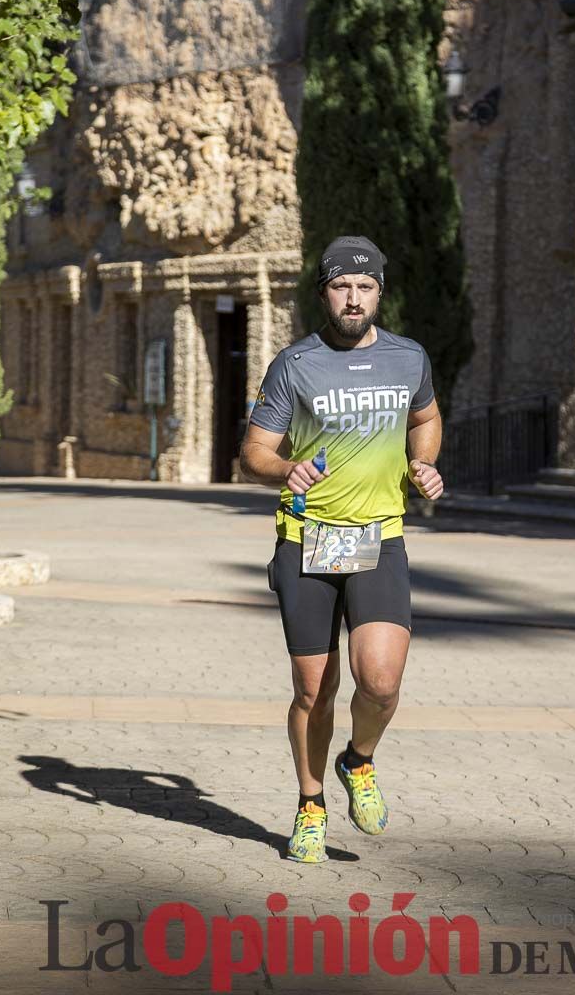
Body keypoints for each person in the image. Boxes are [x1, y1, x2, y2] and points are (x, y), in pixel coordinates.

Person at [239, 235, 443, 863]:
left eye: (364, 287)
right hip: (309, 540)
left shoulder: (409, 359)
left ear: (379, 291)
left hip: (379, 537)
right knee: (313, 689)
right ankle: (309, 803)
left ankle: (358, 759)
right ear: (324, 292)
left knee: (379, 683)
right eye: (340, 286)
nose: (352, 298)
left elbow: (426, 419)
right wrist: (286, 469)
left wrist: (423, 465)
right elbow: (252, 453)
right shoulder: (294, 365)